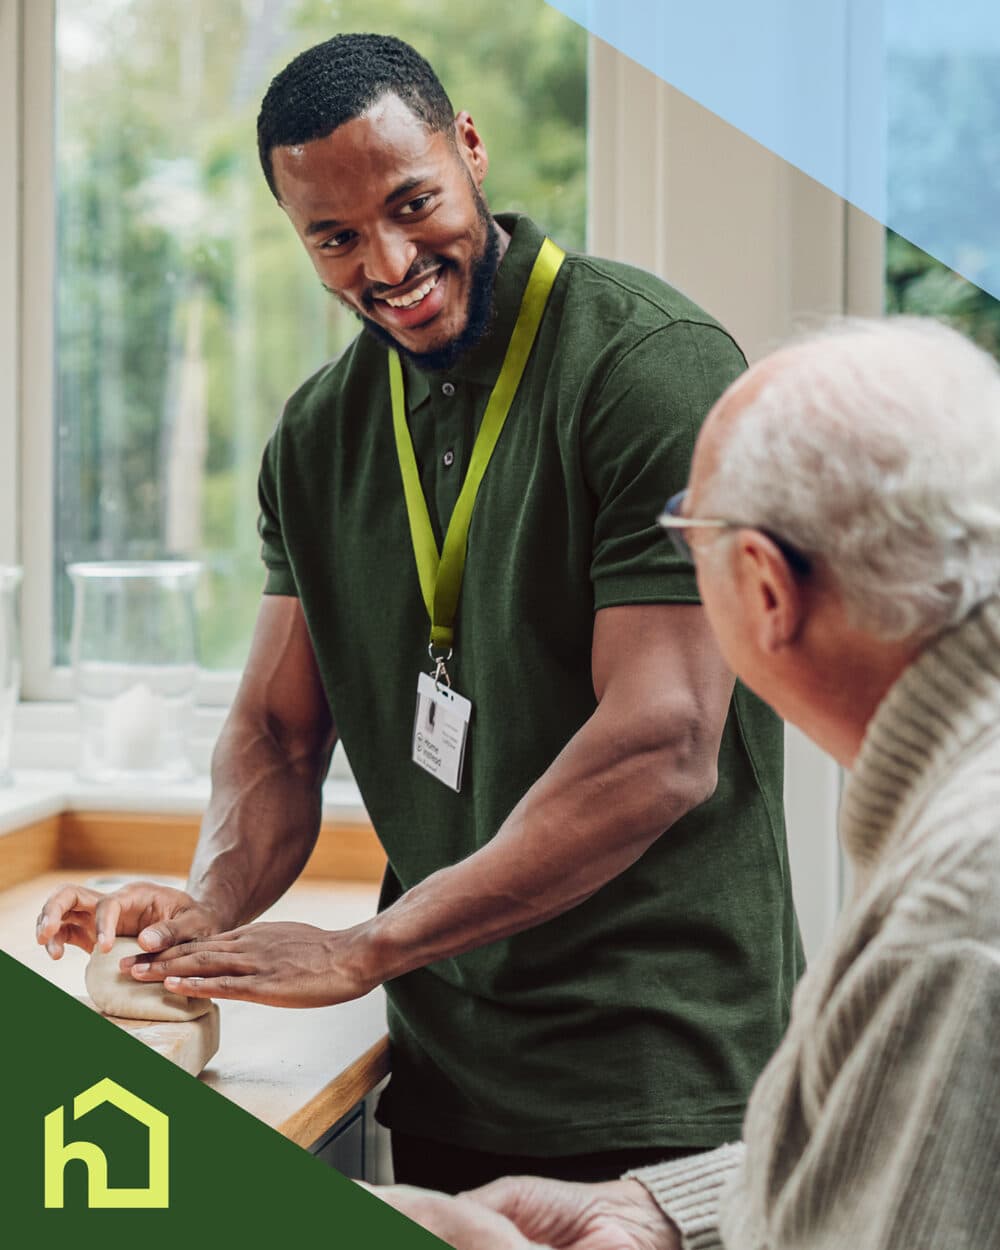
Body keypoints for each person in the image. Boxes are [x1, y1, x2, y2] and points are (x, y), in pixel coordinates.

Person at [35, 34, 802, 1191]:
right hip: (448, 1075)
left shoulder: (649, 365)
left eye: (412, 203)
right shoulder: (314, 437)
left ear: (472, 151)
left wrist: (363, 946)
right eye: (334, 237)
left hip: (668, 1081)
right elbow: (279, 735)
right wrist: (206, 911)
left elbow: (663, 744)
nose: (387, 262)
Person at [377, 315, 1000, 1246]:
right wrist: (656, 1208)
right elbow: (920, 1135)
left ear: (762, 586)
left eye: (688, 534)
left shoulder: (954, 919)